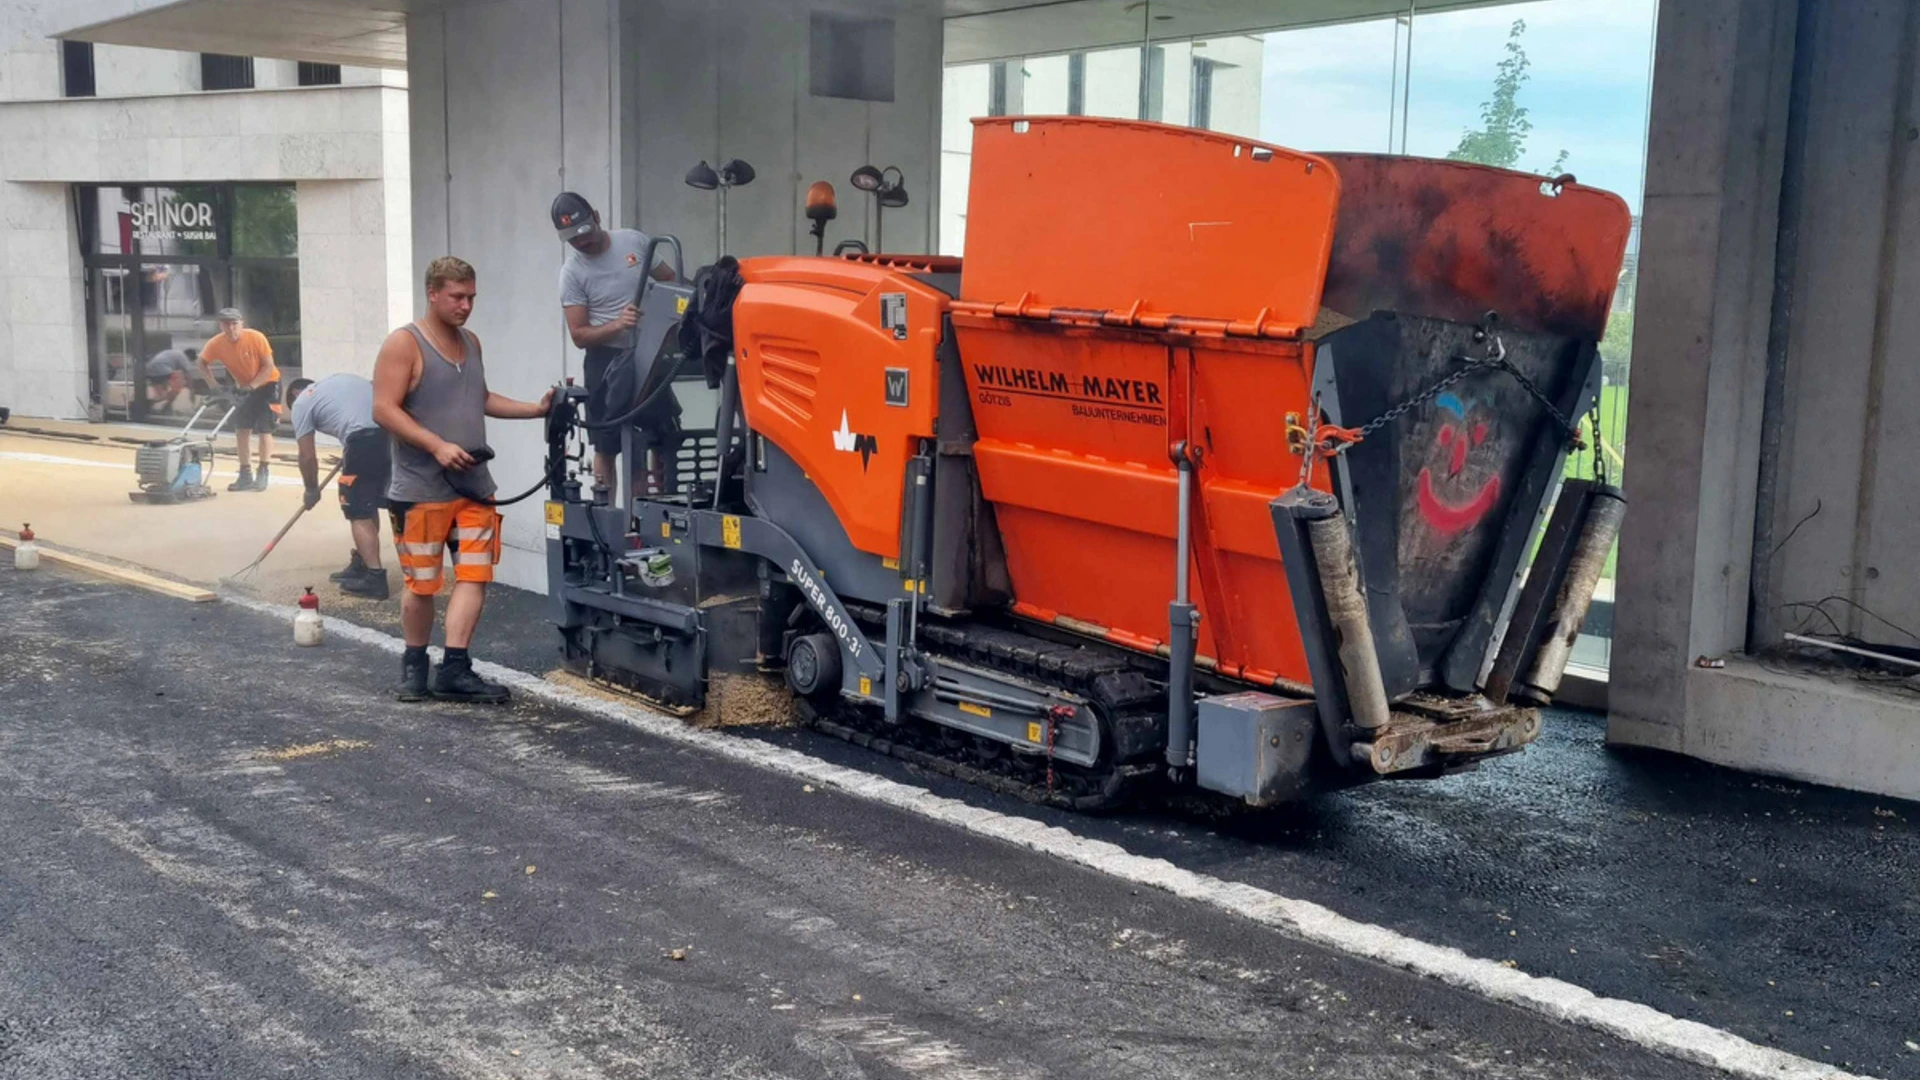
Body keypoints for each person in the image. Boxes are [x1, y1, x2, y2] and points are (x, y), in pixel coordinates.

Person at [372, 256, 552, 704]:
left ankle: (456, 667)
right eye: (457, 296)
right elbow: (384, 408)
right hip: (419, 490)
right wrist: (435, 445)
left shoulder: (471, 342)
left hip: (474, 487)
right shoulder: (404, 343)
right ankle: (415, 665)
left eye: (471, 297)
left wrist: (535, 409)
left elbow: (482, 397)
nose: (466, 305)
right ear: (432, 293)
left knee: (475, 574)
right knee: (423, 584)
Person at [552, 191, 681, 495]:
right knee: (606, 442)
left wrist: (663, 307)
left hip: (650, 354)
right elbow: (579, 335)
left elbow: (672, 281)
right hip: (606, 361)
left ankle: (653, 508)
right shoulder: (572, 273)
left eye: (584, 233)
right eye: (573, 239)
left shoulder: (634, 242)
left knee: (658, 434)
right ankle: (605, 511)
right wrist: (617, 325)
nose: (582, 243)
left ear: (596, 216)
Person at [287, 375, 391, 600]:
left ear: (295, 394)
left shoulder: (302, 401)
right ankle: (363, 563)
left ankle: (375, 578)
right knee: (367, 502)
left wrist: (311, 490)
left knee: (356, 509)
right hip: (390, 435)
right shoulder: (337, 383)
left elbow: (307, 456)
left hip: (362, 439)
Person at [198, 308, 280, 492]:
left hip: (268, 384)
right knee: (241, 429)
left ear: (241, 324)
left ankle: (263, 470)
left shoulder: (256, 338)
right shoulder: (216, 344)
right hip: (243, 387)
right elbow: (201, 363)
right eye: (226, 324)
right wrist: (214, 385)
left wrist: (252, 387)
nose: (231, 328)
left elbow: (269, 367)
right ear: (220, 326)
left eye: (235, 324)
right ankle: (245, 474)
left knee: (265, 428)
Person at [144, 346, 195, 414]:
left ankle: (150, 404)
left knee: (161, 395)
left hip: (150, 370)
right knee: (178, 387)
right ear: (190, 357)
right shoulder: (183, 357)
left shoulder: (174, 353)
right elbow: (188, 375)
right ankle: (165, 407)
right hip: (162, 370)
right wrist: (191, 390)